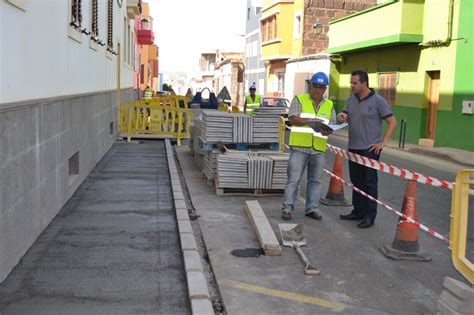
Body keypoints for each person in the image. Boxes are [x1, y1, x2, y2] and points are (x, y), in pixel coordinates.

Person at [337, 69, 397, 228]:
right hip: (354, 147)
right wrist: (342, 116)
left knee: (369, 183)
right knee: (356, 181)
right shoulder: (351, 100)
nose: (352, 86)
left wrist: (382, 143)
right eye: (351, 82)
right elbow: (345, 115)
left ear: (364, 83)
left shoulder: (378, 101)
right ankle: (358, 211)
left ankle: (370, 215)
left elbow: (392, 122)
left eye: (355, 83)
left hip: (370, 150)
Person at [281, 72, 337, 221]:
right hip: (300, 147)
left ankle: (312, 208)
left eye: (320, 87)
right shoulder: (300, 99)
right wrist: (308, 120)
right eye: (315, 86)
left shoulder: (329, 105)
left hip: (318, 149)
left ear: (324, 89)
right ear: (310, 86)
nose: (317, 90)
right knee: (293, 179)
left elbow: (331, 124)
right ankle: (287, 208)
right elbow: (292, 118)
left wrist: (327, 130)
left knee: (315, 181)